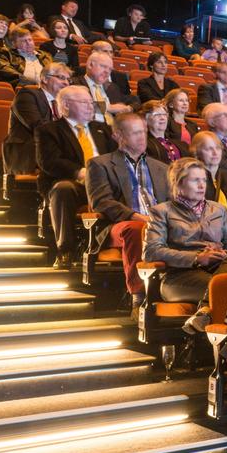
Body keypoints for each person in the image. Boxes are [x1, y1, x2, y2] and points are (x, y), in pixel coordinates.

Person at [144, 157, 227, 333]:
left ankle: (204, 312)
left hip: (219, 267)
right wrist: (197, 258)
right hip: (179, 277)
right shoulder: (161, 212)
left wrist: (224, 254)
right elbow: (152, 251)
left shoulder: (218, 209)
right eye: (195, 180)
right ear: (178, 183)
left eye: (204, 180)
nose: (202, 185)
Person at [85, 113, 171, 307]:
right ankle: (138, 295)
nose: (142, 138)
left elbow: (172, 202)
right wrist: (138, 217)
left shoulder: (161, 168)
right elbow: (102, 201)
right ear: (117, 135)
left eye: (143, 132)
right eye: (135, 133)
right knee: (135, 229)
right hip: (119, 225)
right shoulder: (100, 164)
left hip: (158, 222)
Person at [36, 86, 116, 269]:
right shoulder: (49, 130)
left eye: (91, 103)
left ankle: (111, 245)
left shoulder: (102, 129)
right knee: (62, 190)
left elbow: (115, 156)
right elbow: (49, 162)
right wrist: (80, 172)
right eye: (85, 103)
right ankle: (65, 250)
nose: (91, 107)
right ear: (65, 105)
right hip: (75, 183)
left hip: (103, 184)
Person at [6, 62, 70, 174]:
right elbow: (39, 127)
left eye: (68, 80)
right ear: (45, 79)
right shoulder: (28, 95)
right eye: (61, 77)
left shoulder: (64, 103)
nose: (66, 83)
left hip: (55, 152)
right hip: (30, 152)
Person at [74, 51, 134, 124]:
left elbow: (135, 102)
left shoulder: (113, 87)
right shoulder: (75, 84)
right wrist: (107, 108)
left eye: (110, 69)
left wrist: (128, 108)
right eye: (103, 66)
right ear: (90, 65)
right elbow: (77, 107)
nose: (107, 72)